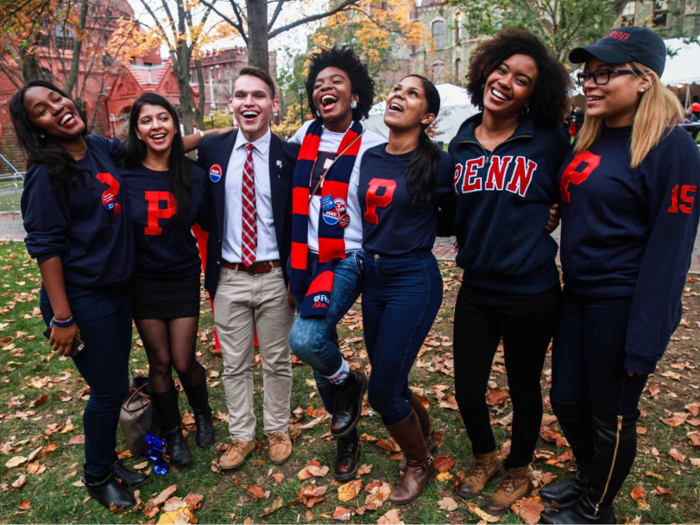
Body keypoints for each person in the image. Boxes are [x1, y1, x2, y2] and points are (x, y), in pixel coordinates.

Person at [540, 27, 700, 524]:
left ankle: (595, 508)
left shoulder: (672, 149)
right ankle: (591, 476)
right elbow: (587, 204)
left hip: (624, 298)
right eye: (587, 74)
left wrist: (645, 335)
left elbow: (670, 252)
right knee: (567, 400)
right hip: (577, 294)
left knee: (610, 413)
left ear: (645, 80)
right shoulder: (591, 134)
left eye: (606, 73)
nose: (590, 83)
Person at [448, 28, 571, 515]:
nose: (506, 82)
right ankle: (485, 455)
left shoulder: (549, 141)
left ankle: (519, 468)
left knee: (523, 385)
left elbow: (575, 190)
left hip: (532, 290)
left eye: (521, 80)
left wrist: (554, 209)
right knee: (467, 385)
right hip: (477, 287)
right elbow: (450, 207)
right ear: (486, 71)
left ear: (532, 94)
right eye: (501, 71)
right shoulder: (460, 139)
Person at [10, 80, 147, 510]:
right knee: (107, 393)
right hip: (82, 300)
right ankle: (97, 476)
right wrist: (64, 318)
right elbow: (46, 249)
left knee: (115, 383)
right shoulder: (46, 174)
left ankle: (109, 461)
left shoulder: (98, 147)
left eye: (56, 98)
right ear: (39, 130)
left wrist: (227, 135)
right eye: (42, 111)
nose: (57, 108)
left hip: (115, 290)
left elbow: (154, 141)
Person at [287, 46, 385, 480]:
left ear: (355, 96)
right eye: (318, 85)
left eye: (336, 83)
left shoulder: (372, 146)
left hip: (345, 255)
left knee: (307, 339)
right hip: (301, 257)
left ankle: (350, 383)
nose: (324, 89)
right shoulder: (303, 134)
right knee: (320, 345)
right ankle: (347, 435)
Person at [359, 75, 454, 503]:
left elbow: (453, 218)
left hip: (413, 279)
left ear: (427, 117)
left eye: (412, 93)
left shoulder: (439, 162)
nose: (398, 95)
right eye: (396, 89)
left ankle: (418, 463)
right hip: (374, 278)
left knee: (381, 391)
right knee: (392, 381)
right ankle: (427, 434)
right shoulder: (372, 156)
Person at [196, 66, 298, 470]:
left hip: (275, 276)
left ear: (273, 105)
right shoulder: (213, 150)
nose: (249, 102)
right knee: (233, 364)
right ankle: (242, 436)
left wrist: (298, 278)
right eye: (241, 95)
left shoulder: (290, 156)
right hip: (229, 276)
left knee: (276, 361)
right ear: (231, 104)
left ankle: (276, 428)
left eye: (258, 95)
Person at [120, 93, 214, 467]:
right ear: (137, 130)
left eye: (164, 118)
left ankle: (203, 411)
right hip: (142, 279)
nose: (156, 126)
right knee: (158, 362)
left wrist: (212, 135)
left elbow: (208, 222)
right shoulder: (122, 171)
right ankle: (173, 434)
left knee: (183, 359)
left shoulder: (193, 174)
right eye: (147, 120)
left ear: (175, 125)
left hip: (182, 274)